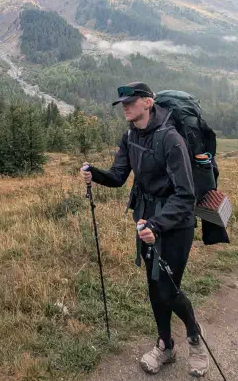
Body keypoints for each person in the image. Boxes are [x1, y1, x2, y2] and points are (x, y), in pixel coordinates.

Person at [80, 82, 210, 377]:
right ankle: (165, 345)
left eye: (131, 101)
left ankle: (194, 337)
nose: (125, 107)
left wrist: (157, 224)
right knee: (154, 286)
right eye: (122, 103)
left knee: (168, 288)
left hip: (175, 224)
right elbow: (118, 176)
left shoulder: (170, 139)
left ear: (148, 103)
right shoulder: (130, 136)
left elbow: (185, 195)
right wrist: (94, 174)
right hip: (146, 221)